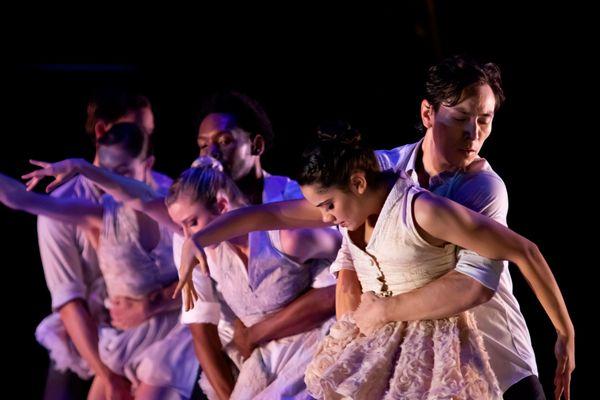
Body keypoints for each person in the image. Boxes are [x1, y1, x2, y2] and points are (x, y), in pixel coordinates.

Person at [174, 57, 575, 399]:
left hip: (488, 348)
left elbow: (475, 283)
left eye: (484, 120)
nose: (473, 134)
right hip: (408, 353)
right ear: (428, 114)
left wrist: (564, 331)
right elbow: (293, 218)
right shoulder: (379, 172)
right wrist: (200, 238)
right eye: (460, 119)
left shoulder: (471, 192)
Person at [3, 123, 197, 399]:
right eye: (104, 175)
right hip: (124, 337)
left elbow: (208, 272)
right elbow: (19, 199)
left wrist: (153, 303)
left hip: (173, 334)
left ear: (148, 164)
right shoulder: (100, 215)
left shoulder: (174, 206)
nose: (112, 186)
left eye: (122, 174)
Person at [33, 89, 172, 400]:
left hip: (160, 325)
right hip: (90, 340)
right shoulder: (62, 209)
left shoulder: (163, 193)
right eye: (139, 131)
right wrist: (105, 374)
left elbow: (198, 269)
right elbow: (69, 300)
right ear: (102, 131)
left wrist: (155, 303)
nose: (146, 139)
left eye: (148, 134)